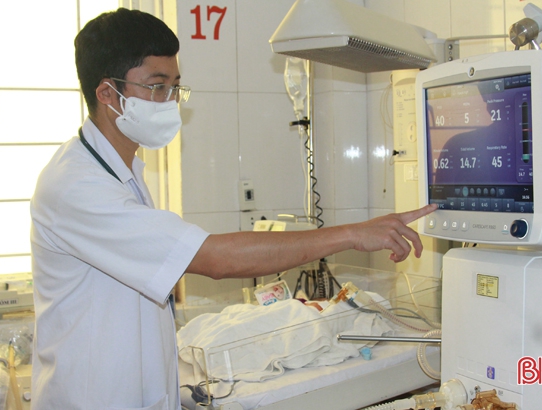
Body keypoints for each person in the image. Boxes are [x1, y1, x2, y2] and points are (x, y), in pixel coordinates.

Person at [29, 8, 437, 410]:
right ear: (107, 94)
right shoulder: (77, 186)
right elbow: (215, 258)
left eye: (175, 86)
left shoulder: (124, 171)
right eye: (157, 87)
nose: (170, 100)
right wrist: (351, 234)